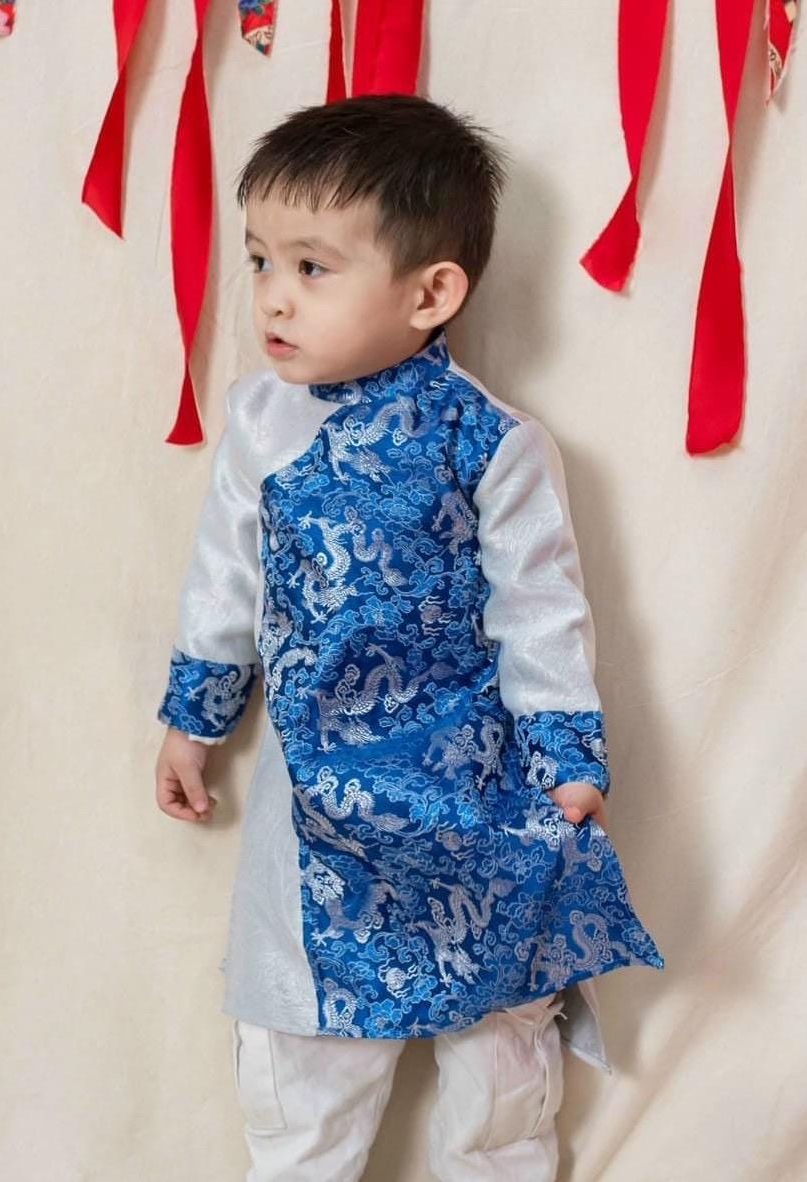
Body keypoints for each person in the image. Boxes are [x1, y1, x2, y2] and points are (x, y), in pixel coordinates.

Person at [154, 94, 664, 1181]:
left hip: (473, 791)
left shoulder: (492, 442)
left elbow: (538, 609)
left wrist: (568, 759)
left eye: (312, 267)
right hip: (317, 805)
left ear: (431, 292)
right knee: (302, 1063)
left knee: (497, 1070)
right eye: (258, 260)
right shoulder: (258, 425)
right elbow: (225, 580)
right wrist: (193, 722)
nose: (272, 297)